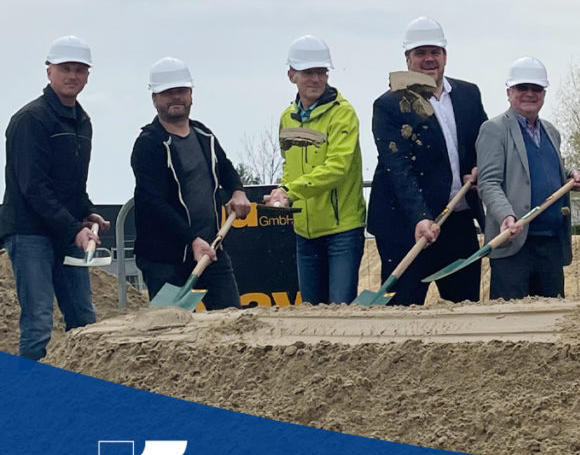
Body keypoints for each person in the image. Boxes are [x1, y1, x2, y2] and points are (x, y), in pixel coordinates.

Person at [367, 16, 487, 306]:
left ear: (445, 55)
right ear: (407, 58)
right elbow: (398, 169)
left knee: (464, 309)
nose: (429, 59)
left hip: (456, 220)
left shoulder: (468, 94)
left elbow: (483, 143)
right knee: (404, 312)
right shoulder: (390, 105)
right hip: (405, 226)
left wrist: (480, 167)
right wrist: (420, 216)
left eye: (435, 52)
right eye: (421, 53)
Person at [1, 36, 107, 360]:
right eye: (65, 69)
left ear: (88, 76)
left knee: (83, 319)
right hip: (29, 231)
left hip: (65, 230)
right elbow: (33, 186)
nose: (72, 76)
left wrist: (86, 212)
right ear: (49, 72)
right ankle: (31, 398)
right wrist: (72, 228)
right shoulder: (30, 119)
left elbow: (73, 184)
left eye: (79, 70)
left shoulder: (82, 122)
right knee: (38, 320)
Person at [130, 57, 250, 309]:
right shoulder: (149, 144)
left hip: (212, 248)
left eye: (181, 91)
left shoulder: (204, 135)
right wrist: (191, 238)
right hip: (164, 258)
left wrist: (238, 190)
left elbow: (225, 166)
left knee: (231, 320)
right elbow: (153, 202)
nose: (176, 97)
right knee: (171, 331)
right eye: (168, 92)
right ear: (154, 98)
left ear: (191, 94)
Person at [476, 57, 580, 300]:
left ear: (544, 93)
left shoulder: (551, 132)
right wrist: (506, 215)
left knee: (551, 320)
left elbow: (547, 169)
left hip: (549, 245)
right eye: (522, 88)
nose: (529, 94)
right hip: (514, 247)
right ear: (509, 92)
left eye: (536, 88)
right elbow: (488, 182)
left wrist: (571, 176)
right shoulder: (494, 130)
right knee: (512, 323)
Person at [265, 36, 366, 304]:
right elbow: (290, 164)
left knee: (340, 311)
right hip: (304, 233)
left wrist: (290, 191)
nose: (316, 79)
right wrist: (281, 191)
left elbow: (338, 166)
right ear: (291, 75)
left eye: (322, 72)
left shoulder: (342, 114)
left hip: (341, 230)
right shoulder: (288, 117)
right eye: (309, 72)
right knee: (312, 313)